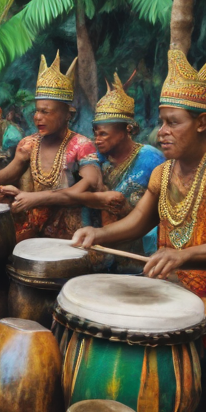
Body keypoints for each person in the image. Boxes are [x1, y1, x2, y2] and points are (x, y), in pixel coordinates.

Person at [72, 48, 206, 385]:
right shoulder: (164, 172)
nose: (162, 131)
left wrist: (183, 256)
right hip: (170, 290)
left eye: (174, 122)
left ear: (202, 123)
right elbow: (139, 221)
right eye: (161, 121)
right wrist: (97, 236)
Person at [0, 51, 102, 242]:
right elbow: (6, 175)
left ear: (67, 114)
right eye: (37, 111)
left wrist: (36, 198)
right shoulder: (29, 144)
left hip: (74, 239)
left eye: (46, 112)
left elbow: (89, 186)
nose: (37, 117)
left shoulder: (82, 146)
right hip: (35, 237)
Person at [67, 73, 165, 271]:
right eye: (95, 133)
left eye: (103, 133)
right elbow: (76, 193)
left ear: (126, 130)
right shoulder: (96, 159)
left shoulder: (151, 159)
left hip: (141, 257)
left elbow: (157, 215)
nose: (97, 139)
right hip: (100, 251)